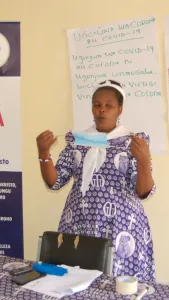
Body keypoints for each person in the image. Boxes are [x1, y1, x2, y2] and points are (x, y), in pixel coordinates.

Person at [36, 79, 156, 282]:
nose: (102, 110)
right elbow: (54, 182)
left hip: (121, 227)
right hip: (79, 223)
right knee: (76, 282)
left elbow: (143, 191)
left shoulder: (133, 142)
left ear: (120, 109)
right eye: (97, 105)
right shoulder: (79, 141)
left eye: (108, 106)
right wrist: (44, 153)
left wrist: (144, 160)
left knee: (118, 285)